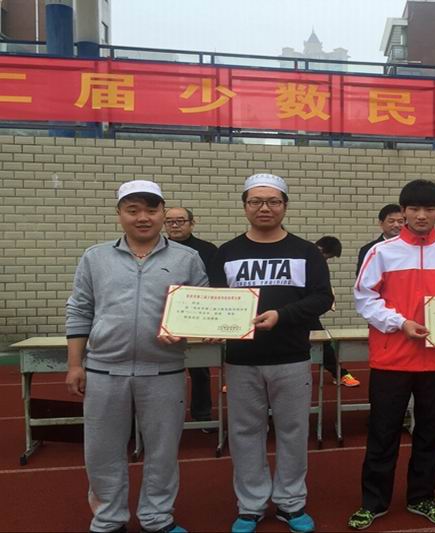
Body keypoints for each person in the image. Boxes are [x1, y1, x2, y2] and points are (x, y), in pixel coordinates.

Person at [65, 180, 208, 533]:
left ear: (162, 213)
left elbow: (202, 309)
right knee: (101, 451)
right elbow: (79, 309)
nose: (143, 217)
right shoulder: (95, 257)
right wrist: (74, 364)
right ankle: (108, 519)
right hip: (104, 371)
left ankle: (157, 518)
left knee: (163, 452)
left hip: (164, 370)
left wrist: (186, 330)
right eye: (133, 210)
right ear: (119, 214)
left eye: (151, 210)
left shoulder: (187, 258)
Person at [208, 173, 333, 533]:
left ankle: (291, 502)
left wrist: (282, 315)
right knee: (245, 433)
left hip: (291, 357)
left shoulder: (306, 251)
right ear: (245, 206)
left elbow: (322, 298)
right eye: (256, 201)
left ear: (285, 206)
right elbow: (214, 299)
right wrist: (212, 325)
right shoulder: (226, 253)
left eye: (273, 201)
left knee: (293, 431)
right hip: (241, 360)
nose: (264, 208)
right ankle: (250, 505)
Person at [348, 179, 435, 530]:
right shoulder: (381, 252)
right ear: (403, 212)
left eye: (429, 209)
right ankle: (373, 501)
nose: (421, 215)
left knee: (432, 433)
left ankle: (422, 497)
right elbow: (364, 298)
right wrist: (400, 323)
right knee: (383, 433)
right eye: (414, 209)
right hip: (392, 358)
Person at [164, 206, 218, 426]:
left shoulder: (208, 250)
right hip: (164, 319)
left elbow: (215, 286)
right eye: (170, 221)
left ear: (192, 223)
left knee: (199, 370)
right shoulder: (157, 248)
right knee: (164, 371)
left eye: (180, 221)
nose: (175, 225)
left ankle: (202, 415)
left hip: (197, 317)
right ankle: (166, 419)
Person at [313, 236, 360, 387]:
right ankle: (340, 374)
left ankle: (340, 374)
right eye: (328, 257)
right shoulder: (305, 258)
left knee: (324, 344)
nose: (326, 260)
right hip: (297, 312)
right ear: (321, 250)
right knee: (323, 344)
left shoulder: (318, 263)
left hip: (307, 312)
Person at [355, 204, 404, 275]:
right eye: (391, 221)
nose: (396, 225)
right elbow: (363, 277)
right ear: (381, 224)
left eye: (400, 221)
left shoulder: (412, 248)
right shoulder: (369, 250)